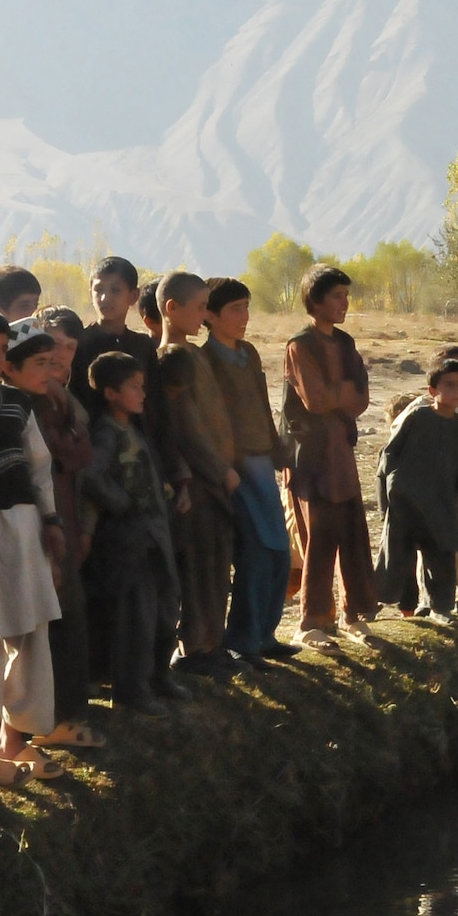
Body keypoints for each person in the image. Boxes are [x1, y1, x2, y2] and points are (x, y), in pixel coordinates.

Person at [0, 313, 63, 784]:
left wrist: (51, 519)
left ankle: (15, 737)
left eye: (3, 350)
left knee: (31, 629)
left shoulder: (18, 403)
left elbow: (38, 466)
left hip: (24, 526)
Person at [281, 264, 377, 648]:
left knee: (352, 532)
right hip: (312, 457)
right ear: (315, 301)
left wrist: (338, 395)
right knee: (318, 537)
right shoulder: (299, 345)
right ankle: (312, 622)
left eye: (345, 296)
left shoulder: (345, 343)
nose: (344, 303)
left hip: (343, 453)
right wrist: (342, 393)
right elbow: (315, 400)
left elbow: (362, 400)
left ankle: (355, 614)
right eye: (336, 296)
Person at [202, 277, 297, 662]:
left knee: (279, 553)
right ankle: (243, 639)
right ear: (209, 315)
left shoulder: (249, 352)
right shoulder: (205, 359)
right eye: (235, 309)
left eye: (246, 306)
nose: (244, 316)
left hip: (261, 461)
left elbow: (261, 401)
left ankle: (266, 635)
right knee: (256, 552)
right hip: (236, 467)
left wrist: (276, 448)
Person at [84, 352, 183, 715]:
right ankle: (131, 689)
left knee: (165, 606)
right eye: (134, 387)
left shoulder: (132, 429)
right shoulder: (107, 432)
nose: (143, 394)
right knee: (135, 616)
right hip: (130, 541)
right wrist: (122, 503)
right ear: (111, 393)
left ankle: (159, 676)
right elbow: (92, 476)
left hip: (155, 534)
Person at [28, 305, 106, 752]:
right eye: (53, 345)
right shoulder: (29, 400)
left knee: (71, 619)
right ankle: (47, 721)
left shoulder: (67, 399)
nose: (61, 356)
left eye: (70, 348)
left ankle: (67, 717)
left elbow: (82, 461)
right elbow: (65, 456)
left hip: (69, 522)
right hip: (39, 524)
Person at [153, 272, 238, 676]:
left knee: (219, 561)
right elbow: (185, 426)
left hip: (218, 478)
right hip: (201, 482)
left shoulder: (196, 354)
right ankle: (196, 648)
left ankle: (214, 643)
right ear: (172, 308)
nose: (206, 316)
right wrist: (219, 469)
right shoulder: (171, 357)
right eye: (201, 307)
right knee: (200, 566)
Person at [374, 361, 458, 621]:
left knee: (441, 557)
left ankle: (440, 608)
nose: (456, 391)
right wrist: (393, 491)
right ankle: (372, 603)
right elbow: (390, 454)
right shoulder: (417, 417)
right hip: (407, 500)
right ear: (432, 390)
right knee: (396, 556)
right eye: (449, 385)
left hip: (442, 502)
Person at [69, 256, 157, 419]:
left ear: (133, 296)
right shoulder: (79, 343)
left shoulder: (143, 345)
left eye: (115, 290)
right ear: (90, 293)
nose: (104, 298)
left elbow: (154, 400)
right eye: (99, 290)